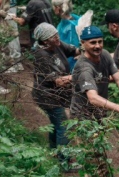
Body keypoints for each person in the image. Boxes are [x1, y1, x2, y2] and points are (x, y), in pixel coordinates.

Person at [69, 25, 119, 122]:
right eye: (93, 43)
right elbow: (93, 98)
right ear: (83, 43)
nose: (98, 46)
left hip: (99, 113)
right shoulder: (84, 68)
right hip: (83, 118)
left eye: (100, 41)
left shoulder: (105, 55)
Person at [31, 22, 76, 165]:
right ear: (45, 41)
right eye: (54, 37)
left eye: (57, 34)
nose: (58, 38)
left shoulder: (56, 43)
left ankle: (54, 152)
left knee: (56, 124)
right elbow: (58, 81)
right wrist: (80, 75)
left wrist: (86, 53)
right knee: (63, 126)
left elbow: (75, 51)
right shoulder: (42, 55)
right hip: (47, 95)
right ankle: (64, 162)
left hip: (57, 94)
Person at [52, 0, 80, 69]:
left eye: (53, 6)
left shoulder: (69, 27)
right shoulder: (76, 19)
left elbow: (71, 49)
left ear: (57, 8)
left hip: (72, 66)